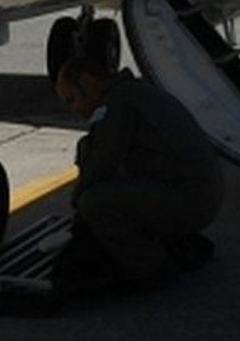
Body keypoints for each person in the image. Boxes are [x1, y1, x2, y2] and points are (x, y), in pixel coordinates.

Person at [53, 38, 225, 294]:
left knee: (95, 202)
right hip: (199, 194)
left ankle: (150, 268)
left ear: (88, 82)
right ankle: (175, 242)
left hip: (191, 200)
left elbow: (103, 163)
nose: (74, 109)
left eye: (72, 99)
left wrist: (78, 203)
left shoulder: (120, 103)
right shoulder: (135, 91)